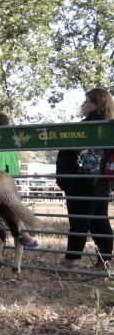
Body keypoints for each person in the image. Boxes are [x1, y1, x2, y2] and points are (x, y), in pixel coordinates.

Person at [56, 88, 113, 269]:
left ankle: (71, 261)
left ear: (97, 104)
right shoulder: (108, 126)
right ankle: (104, 261)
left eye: (87, 101)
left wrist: (70, 177)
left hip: (82, 181)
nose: (84, 105)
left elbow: (73, 156)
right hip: (101, 182)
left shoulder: (85, 127)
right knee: (99, 221)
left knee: (79, 220)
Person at [0, 112, 39, 251]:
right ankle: (24, 237)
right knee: (11, 215)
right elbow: (15, 171)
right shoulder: (11, 149)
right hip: (9, 187)